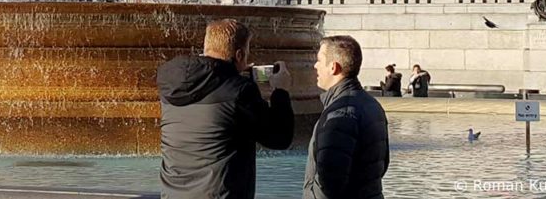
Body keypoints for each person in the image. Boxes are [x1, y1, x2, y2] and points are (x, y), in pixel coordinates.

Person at [158, 18, 293, 199]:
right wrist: (281, 92)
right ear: (239, 55)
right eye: (246, 54)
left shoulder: (171, 85)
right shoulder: (241, 91)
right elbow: (280, 138)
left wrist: (231, 75)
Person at [304, 35, 389, 199]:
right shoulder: (372, 105)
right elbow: (382, 165)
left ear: (333, 67)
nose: (315, 66)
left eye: (320, 60)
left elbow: (328, 186)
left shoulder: (340, 114)